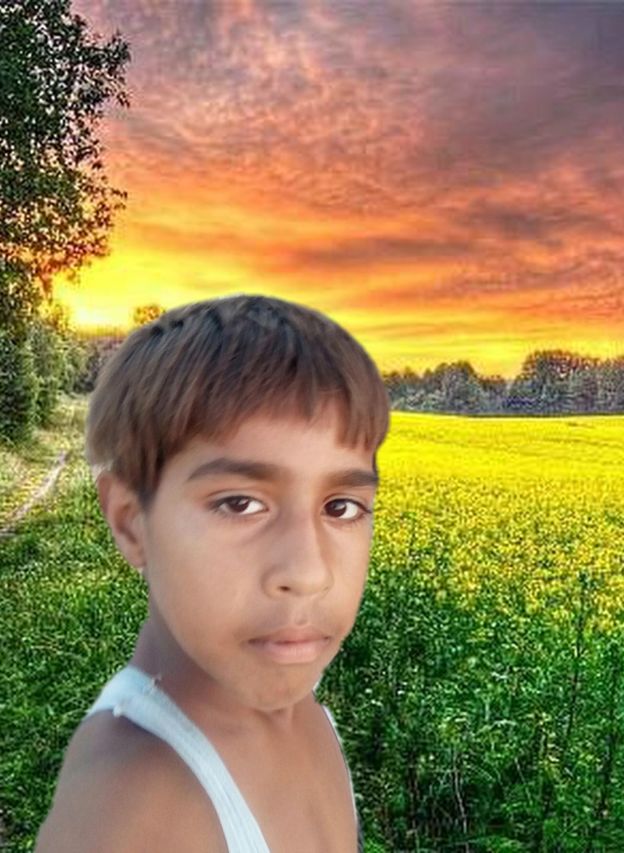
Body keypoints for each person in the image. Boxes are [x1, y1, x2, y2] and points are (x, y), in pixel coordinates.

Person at [35, 294, 390, 852]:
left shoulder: (311, 717)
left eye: (340, 507)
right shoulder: (130, 809)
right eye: (239, 504)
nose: (308, 572)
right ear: (130, 522)